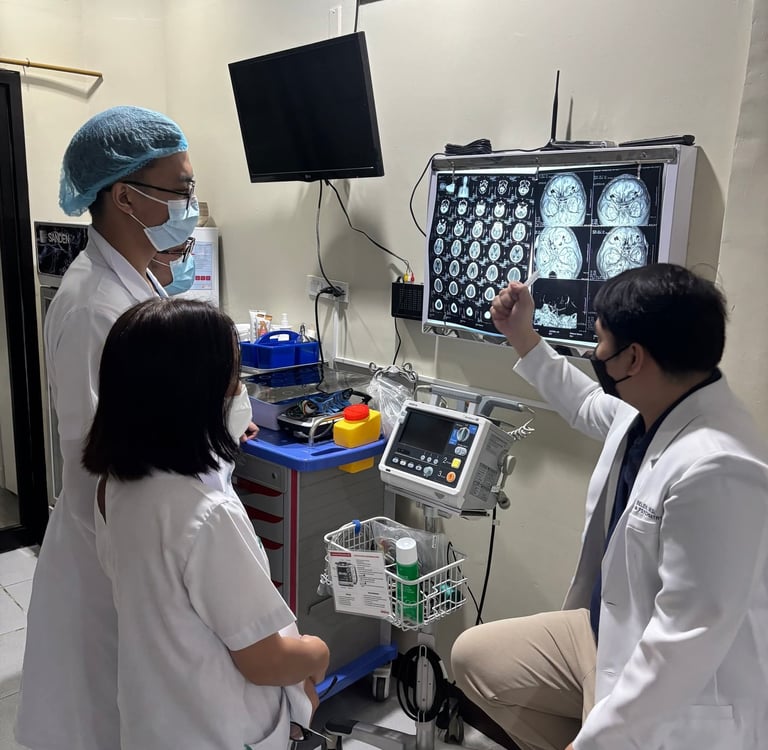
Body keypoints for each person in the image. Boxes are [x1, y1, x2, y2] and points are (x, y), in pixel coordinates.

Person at [451, 263, 768, 750]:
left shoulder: (718, 467)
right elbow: (583, 403)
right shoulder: (655, 408)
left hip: (675, 685)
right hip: (605, 632)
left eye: (600, 342)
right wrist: (521, 335)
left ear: (633, 358)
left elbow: (684, 640)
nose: (595, 355)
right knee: (476, 657)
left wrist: (597, 743)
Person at [16, 105, 203, 750]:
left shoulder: (135, 283)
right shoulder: (95, 307)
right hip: (109, 562)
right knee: (105, 721)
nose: (190, 207)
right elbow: (103, 460)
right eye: (181, 190)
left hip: (131, 549)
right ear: (125, 197)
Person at [82, 297, 329, 749]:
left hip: (154, 720)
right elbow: (265, 661)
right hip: (220, 729)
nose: (240, 393)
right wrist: (316, 654)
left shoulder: (114, 485)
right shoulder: (208, 513)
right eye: (234, 379)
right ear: (194, 396)